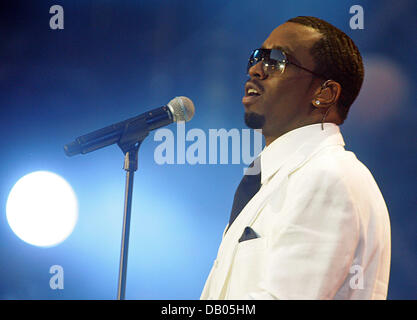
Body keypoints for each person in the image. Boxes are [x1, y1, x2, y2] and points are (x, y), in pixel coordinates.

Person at [200, 16, 391, 300]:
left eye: (276, 60)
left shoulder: (328, 176)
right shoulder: (273, 178)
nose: (255, 69)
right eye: (258, 56)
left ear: (324, 94)